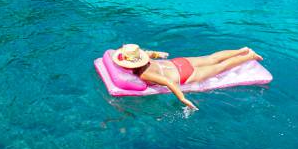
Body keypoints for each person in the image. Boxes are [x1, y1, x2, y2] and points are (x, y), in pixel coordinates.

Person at [111, 43, 262, 110]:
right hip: (179, 63)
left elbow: (168, 81)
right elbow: (150, 53)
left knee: (220, 67)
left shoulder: (145, 74)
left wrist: (182, 99)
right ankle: (242, 50)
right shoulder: (144, 56)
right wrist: (159, 54)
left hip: (185, 75)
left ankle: (249, 56)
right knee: (211, 58)